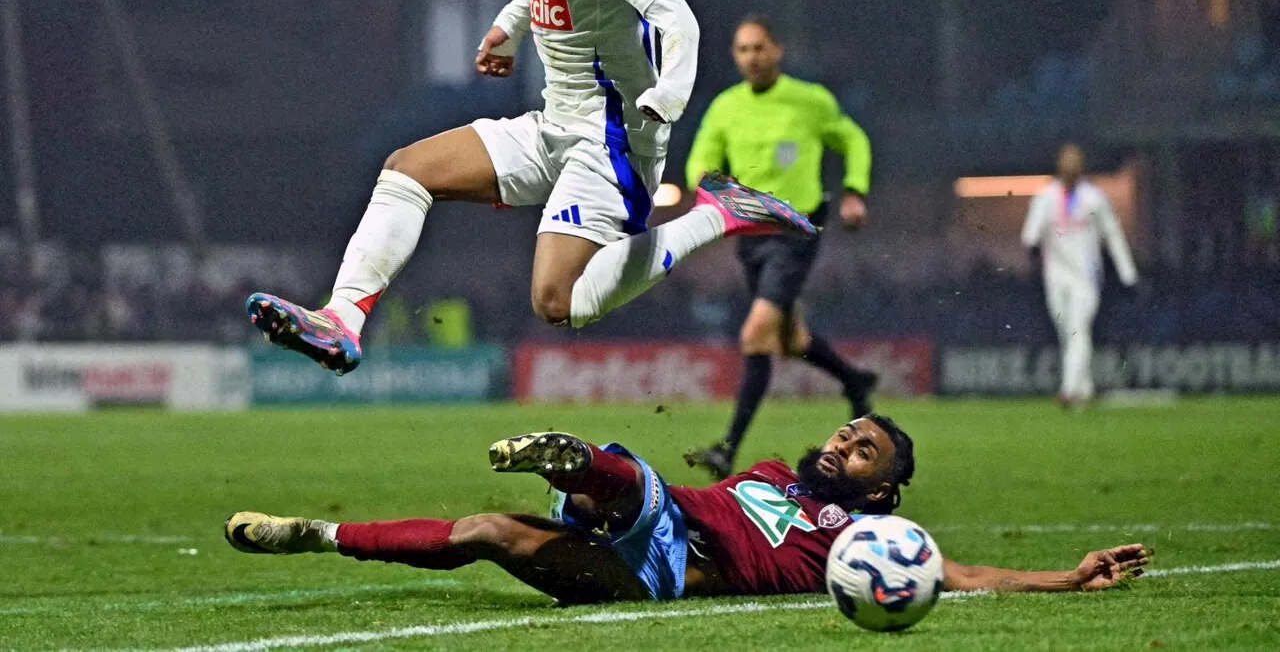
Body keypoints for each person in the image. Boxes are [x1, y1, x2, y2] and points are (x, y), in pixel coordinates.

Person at [243, 0, 815, 375]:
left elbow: (677, 18)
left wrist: (667, 97)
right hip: (554, 121)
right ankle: (342, 320)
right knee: (406, 169)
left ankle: (717, 213)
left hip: (613, 139)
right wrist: (511, 27)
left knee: (555, 301)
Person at [225, 417, 1150, 602]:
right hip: (650, 520)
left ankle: (579, 462)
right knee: (493, 523)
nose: (839, 443)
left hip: (669, 564)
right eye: (844, 432)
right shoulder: (780, 470)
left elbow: (963, 574)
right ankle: (313, 532)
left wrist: (1064, 578)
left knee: (489, 531)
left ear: (881, 489)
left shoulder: (866, 537)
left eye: (861, 450)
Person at [683, 16, 878, 479]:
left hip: (796, 230)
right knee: (792, 342)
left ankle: (727, 449)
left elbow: (853, 138)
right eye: (742, 49)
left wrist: (854, 190)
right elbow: (701, 162)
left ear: (777, 51)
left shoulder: (809, 100)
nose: (751, 57)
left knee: (756, 336)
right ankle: (855, 381)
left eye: (758, 48)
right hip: (749, 238)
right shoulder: (726, 107)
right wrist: (711, 191)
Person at [1021, 144, 1138, 408]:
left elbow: (1113, 235)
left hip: (1086, 278)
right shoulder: (1046, 198)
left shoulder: (1094, 198)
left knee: (1077, 330)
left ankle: (1069, 390)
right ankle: (1084, 388)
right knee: (1067, 333)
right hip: (1056, 278)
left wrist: (1127, 273)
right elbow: (1029, 235)